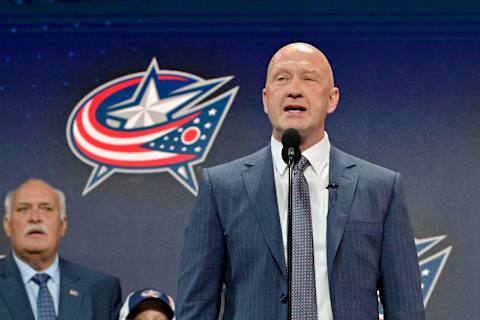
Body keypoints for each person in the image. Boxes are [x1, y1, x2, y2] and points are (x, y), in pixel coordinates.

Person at [177, 42, 425, 319]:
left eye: (308, 78)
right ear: (265, 98)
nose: (294, 89)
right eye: (282, 79)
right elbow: (196, 307)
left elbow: (406, 308)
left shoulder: (380, 188)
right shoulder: (220, 187)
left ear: (332, 98)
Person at [0, 179, 122, 319]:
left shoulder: (100, 289)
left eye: (46, 208)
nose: (35, 218)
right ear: (7, 225)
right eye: (23, 209)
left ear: (62, 225)